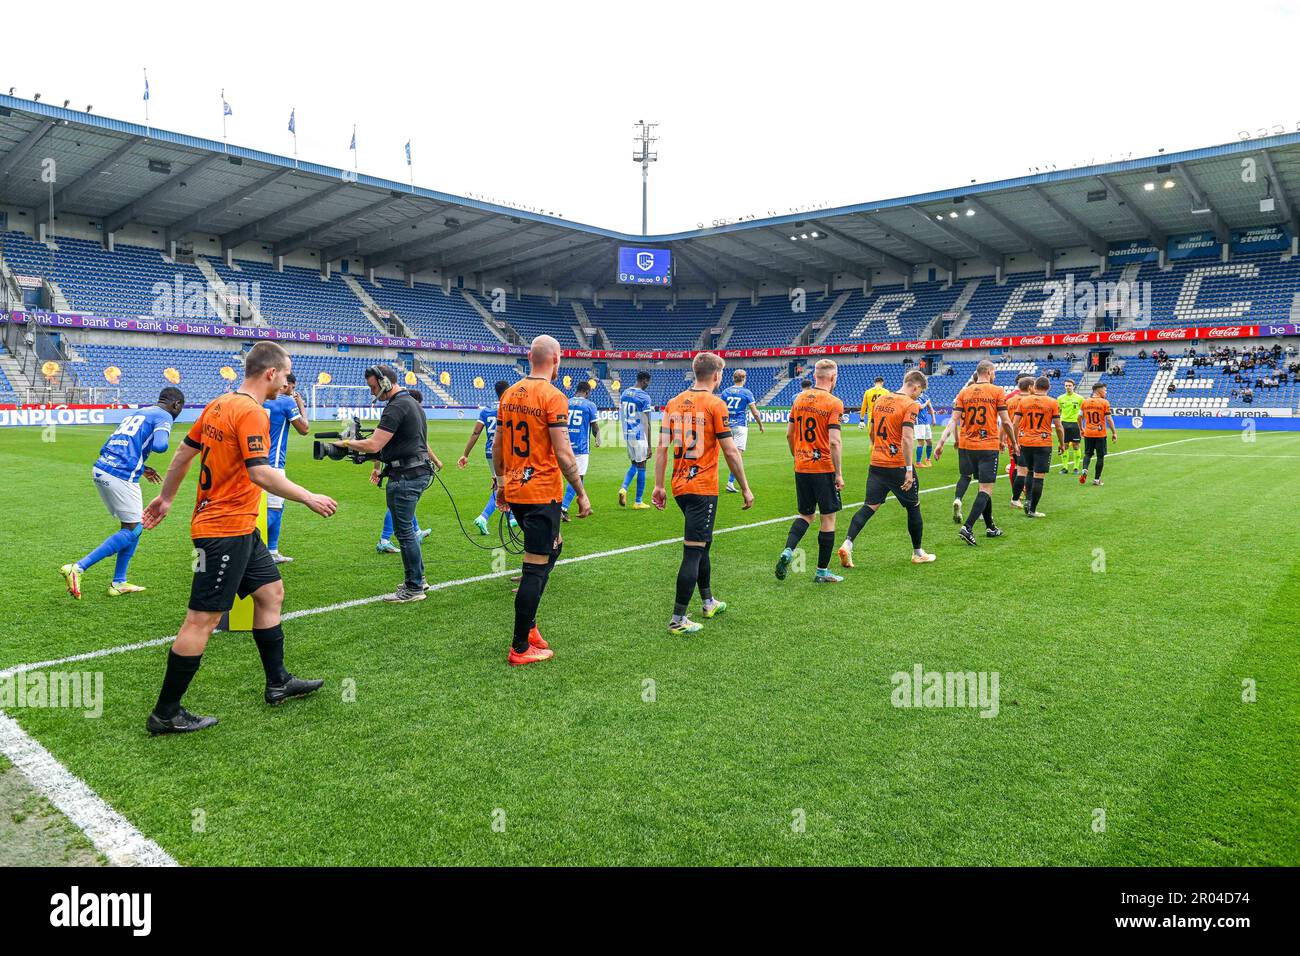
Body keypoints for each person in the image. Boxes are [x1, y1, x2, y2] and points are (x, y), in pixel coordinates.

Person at [141, 342, 337, 735]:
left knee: (271, 593)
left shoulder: (218, 404)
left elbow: (183, 452)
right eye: (285, 374)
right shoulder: (252, 412)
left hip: (241, 527)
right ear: (270, 373)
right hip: (223, 530)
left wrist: (166, 498)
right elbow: (260, 473)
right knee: (203, 618)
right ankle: (165, 713)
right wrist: (308, 496)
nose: (287, 382)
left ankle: (278, 681)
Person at [495, 335, 591, 665]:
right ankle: (520, 647)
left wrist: (500, 484)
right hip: (541, 494)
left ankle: (530, 627)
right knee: (535, 569)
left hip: (518, 492)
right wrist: (580, 492)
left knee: (555, 546)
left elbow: (498, 447)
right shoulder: (552, 396)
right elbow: (564, 453)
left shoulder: (509, 395)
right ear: (556, 360)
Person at [653, 352, 753, 634]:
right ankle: (678, 619)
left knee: (702, 544)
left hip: (679, 485)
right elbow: (730, 450)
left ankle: (708, 601)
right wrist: (745, 487)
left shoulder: (673, 403)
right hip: (702, 487)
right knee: (693, 550)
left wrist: (659, 485)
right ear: (717, 375)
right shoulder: (714, 404)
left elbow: (661, 447)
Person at [60, 387, 186, 599]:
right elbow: (161, 445)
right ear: (177, 405)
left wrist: (142, 467)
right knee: (134, 529)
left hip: (102, 467)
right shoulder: (164, 415)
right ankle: (78, 568)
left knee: (133, 525)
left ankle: (119, 581)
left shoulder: (138, 413)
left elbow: (110, 445)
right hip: (120, 474)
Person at [334, 366, 442, 602]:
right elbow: (388, 447)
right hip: (415, 471)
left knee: (404, 533)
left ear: (385, 382)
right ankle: (418, 579)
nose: (373, 391)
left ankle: (414, 588)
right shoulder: (410, 402)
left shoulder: (397, 405)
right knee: (408, 532)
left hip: (406, 475)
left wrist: (347, 443)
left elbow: (374, 445)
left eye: (374, 386)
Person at [839, 370, 936, 567]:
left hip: (877, 462)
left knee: (869, 506)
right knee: (913, 506)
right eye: (919, 391)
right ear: (915, 386)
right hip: (898, 464)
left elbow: (872, 431)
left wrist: (878, 449)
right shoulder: (910, 404)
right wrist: (909, 469)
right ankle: (918, 552)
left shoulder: (881, 401)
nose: (919, 395)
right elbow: (907, 438)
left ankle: (847, 544)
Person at [776, 359, 845, 584]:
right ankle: (822, 572)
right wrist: (838, 473)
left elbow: (789, 434)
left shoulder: (799, 399)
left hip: (802, 465)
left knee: (806, 514)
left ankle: (788, 550)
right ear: (832, 378)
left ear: (815, 376)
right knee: (828, 518)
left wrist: (797, 457)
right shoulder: (834, 402)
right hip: (823, 466)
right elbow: (834, 442)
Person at [935, 359, 1017, 547]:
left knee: (981, 486)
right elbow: (1006, 421)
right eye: (994, 372)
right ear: (988, 372)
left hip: (966, 446)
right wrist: (1013, 442)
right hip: (987, 445)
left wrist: (940, 443)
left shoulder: (964, 392)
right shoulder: (997, 391)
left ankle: (990, 527)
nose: (994, 375)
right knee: (986, 489)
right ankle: (968, 527)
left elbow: (952, 421)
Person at [456, 380, 515, 536]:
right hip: (506, 452)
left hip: (490, 452)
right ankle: (486, 517)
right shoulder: (510, 408)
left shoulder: (487, 410)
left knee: (502, 484)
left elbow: (476, 433)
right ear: (508, 391)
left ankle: (510, 517)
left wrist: (465, 454)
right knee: (509, 484)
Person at [375, 389, 432, 553]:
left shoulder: (399, 414)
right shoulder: (401, 415)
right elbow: (380, 444)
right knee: (398, 505)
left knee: (405, 504)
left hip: (402, 469)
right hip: (403, 470)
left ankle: (417, 531)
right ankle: (384, 539)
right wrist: (435, 460)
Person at [263, 373, 311, 564]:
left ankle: (272, 551)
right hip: (273, 464)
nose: (293, 390)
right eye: (292, 387)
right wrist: (301, 406)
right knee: (273, 509)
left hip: (253, 461)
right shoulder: (285, 402)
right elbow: (304, 429)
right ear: (287, 385)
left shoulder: (260, 400)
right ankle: (241, 548)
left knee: (276, 507)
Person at [1010, 377, 1064, 518]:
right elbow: (1058, 426)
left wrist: (1015, 442)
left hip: (1025, 441)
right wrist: (1062, 443)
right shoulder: (1053, 402)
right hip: (1043, 443)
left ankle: (1024, 499)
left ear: (1034, 386)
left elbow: (1015, 424)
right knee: (1038, 476)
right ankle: (1032, 509)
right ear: (1048, 387)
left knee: (1027, 471)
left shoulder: (1024, 401)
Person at [718, 368, 765, 492]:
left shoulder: (726, 391)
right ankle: (731, 482)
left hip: (726, 425)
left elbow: (720, 409)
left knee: (728, 454)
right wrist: (760, 424)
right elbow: (755, 412)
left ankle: (728, 482)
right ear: (744, 379)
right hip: (740, 426)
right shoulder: (746, 392)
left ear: (733, 378)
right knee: (738, 455)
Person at [562, 379, 601, 521]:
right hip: (581, 447)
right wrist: (598, 437)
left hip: (565, 444)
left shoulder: (566, 402)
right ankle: (563, 508)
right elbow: (595, 427)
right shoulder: (590, 405)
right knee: (578, 477)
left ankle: (584, 505)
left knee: (577, 477)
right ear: (587, 392)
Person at [618, 371, 654, 509]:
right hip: (639, 436)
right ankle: (638, 501)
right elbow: (647, 422)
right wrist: (650, 445)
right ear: (644, 380)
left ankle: (623, 488)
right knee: (642, 466)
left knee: (634, 464)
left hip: (628, 434)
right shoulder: (644, 397)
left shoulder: (624, 393)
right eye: (648, 382)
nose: (648, 385)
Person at [1078, 383, 1117, 486]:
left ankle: (1085, 469)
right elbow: (1108, 419)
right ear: (1098, 391)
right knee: (1100, 457)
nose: (1106, 392)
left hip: (1088, 433)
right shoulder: (1104, 402)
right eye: (1104, 390)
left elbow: (1079, 417)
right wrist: (1114, 432)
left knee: (1088, 454)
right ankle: (1096, 479)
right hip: (1100, 434)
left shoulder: (1084, 402)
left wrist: (1081, 428)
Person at [1005, 375, 1033, 508]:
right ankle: (1022, 495)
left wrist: (1002, 438)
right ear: (1029, 386)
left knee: (1015, 465)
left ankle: (1015, 493)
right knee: (1026, 469)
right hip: (1027, 438)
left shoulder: (1009, 399)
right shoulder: (1031, 400)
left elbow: (1004, 421)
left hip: (1011, 437)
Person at [1056, 379, 1084, 474]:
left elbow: (1082, 412)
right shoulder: (1060, 398)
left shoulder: (1080, 398)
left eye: (1069, 385)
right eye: (1066, 385)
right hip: (1064, 423)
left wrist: (1081, 425)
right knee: (1065, 445)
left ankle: (1076, 467)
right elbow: (1058, 411)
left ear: (1074, 386)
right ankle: (1065, 467)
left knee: (1076, 446)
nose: (1068, 387)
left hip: (1075, 424)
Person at [913, 387, 937, 467]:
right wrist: (927, 402)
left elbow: (931, 408)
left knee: (929, 441)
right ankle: (918, 462)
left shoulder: (925, 396)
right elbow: (921, 407)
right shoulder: (914, 397)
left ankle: (928, 459)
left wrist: (933, 419)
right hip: (918, 422)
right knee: (921, 442)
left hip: (926, 422)